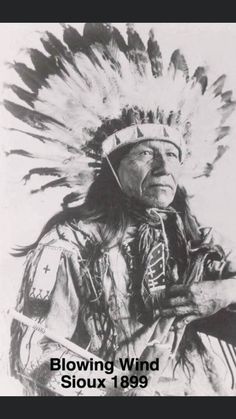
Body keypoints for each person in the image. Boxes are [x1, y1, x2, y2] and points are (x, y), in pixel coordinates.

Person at [6, 23, 236, 396]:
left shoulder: (198, 241)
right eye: (145, 153)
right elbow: (32, 353)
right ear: (112, 169)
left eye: (172, 155)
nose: (164, 168)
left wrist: (226, 291)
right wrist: (118, 388)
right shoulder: (68, 245)